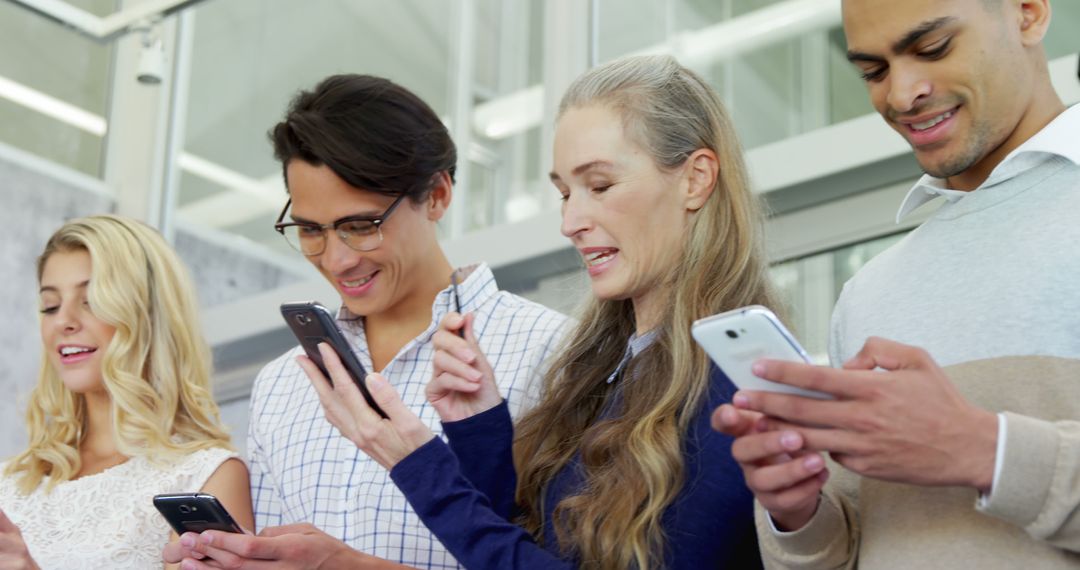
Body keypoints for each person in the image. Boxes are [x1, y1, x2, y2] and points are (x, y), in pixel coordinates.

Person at [179, 54, 770, 569]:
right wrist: (480, 429)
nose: (569, 222)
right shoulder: (613, 367)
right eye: (565, 192)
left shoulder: (711, 374)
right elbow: (527, 536)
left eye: (600, 185)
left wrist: (415, 463)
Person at [714, 0, 1080, 567]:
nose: (901, 95)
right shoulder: (868, 292)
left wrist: (984, 450)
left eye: (933, 48)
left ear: (1028, 14)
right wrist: (800, 513)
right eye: (873, 71)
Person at [167, 74, 567, 569]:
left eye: (361, 226)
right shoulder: (280, 385)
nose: (337, 260)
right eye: (311, 230)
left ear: (438, 195)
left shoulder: (551, 351)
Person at [0, 215, 253, 569]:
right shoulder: (10, 482)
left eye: (90, 300)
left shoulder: (204, 477)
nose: (63, 321)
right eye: (50, 306)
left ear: (147, 316)